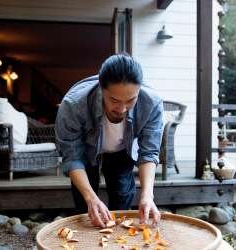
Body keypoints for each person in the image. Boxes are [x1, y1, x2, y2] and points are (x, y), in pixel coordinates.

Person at [55, 54, 164, 228]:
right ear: (101, 88)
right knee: (87, 208)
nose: (121, 109)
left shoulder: (152, 104)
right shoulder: (73, 105)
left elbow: (149, 153)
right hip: (85, 150)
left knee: (122, 196)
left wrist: (147, 195)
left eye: (130, 101)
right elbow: (71, 157)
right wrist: (91, 198)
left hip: (122, 149)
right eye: (114, 100)